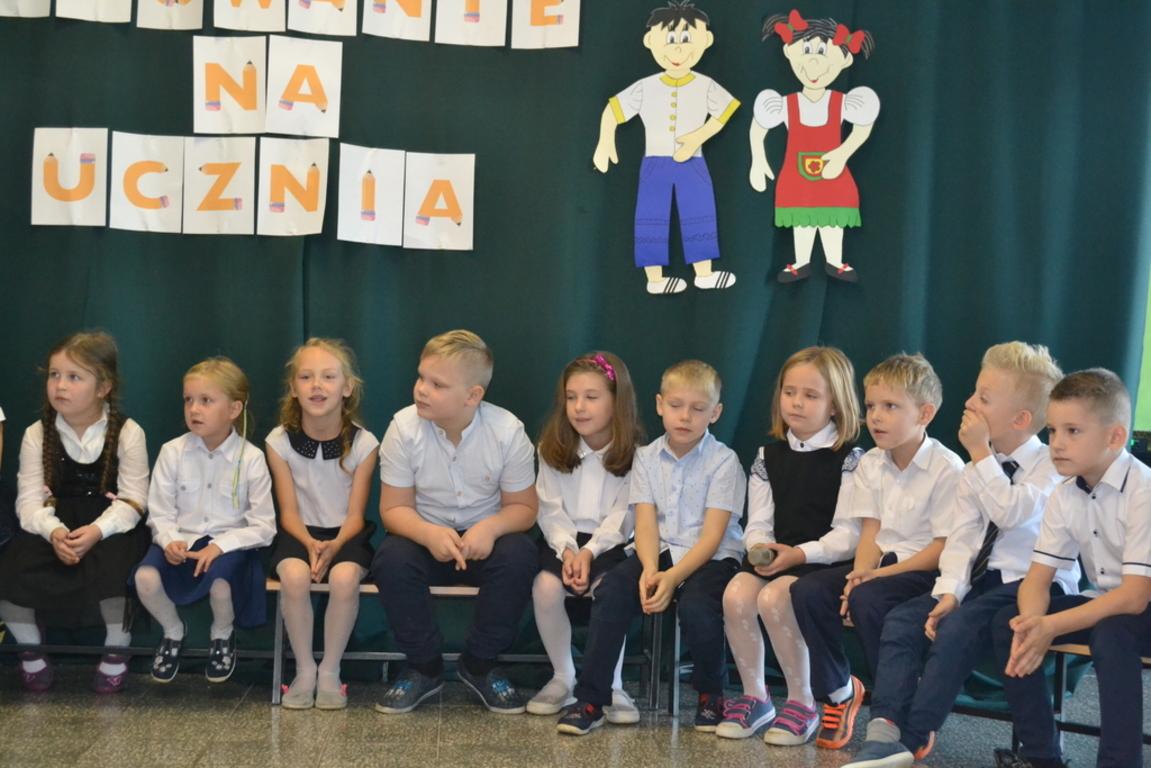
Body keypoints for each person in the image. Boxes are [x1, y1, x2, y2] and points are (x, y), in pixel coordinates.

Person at [845, 342, 1077, 767]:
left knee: (958, 629)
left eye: (983, 398)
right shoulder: (976, 470)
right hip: (981, 586)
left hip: (1035, 584)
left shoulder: (1051, 466)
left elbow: (1012, 513)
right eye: (974, 393)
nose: (969, 403)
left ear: (1020, 419)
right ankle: (885, 727)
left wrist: (981, 454)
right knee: (904, 621)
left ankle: (911, 738)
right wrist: (949, 592)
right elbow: (963, 541)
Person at [558, 360, 745, 735]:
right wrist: (649, 570)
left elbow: (712, 536)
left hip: (710, 556)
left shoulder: (724, 461)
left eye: (698, 409)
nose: (685, 417)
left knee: (697, 606)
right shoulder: (645, 457)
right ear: (660, 405)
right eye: (676, 406)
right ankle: (591, 699)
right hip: (655, 551)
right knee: (612, 590)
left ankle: (711, 694)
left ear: (715, 413)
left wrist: (672, 578)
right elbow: (644, 523)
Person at [791, 353, 962, 749]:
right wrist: (857, 576)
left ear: (925, 413)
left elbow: (943, 549)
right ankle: (839, 691)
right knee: (808, 591)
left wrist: (872, 579)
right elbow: (870, 531)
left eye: (890, 406)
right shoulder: (870, 463)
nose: (876, 417)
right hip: (879, 570)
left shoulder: (947, 468)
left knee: (868, 598)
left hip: (924, 572)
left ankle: (901, 708)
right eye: (870, 406)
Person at [372, 330, 539, 715]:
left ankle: (480, 664)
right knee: (391, 559)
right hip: (425, 537)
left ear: (473, 395)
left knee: (519, 554)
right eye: (421, 377)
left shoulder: (507, 431)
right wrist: (429, 534)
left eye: (437, 384)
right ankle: (424, 667)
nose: (422, 390)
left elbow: (524, 508)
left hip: (484, 540)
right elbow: (394, 510)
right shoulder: (403, 428)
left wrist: (490, 528)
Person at [991, 369, 1151, 768]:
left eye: (1073, 431)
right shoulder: (1064, 493)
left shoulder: (1144, 491)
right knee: (1010, 624)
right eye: (1052, 431)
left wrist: (1051, 626)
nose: (1057, 443)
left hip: (1138, 607)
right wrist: (1033, 624)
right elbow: (1036, 580)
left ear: (1115, 437)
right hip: (1108, 604)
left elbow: (1135, 597)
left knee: (1113, 635)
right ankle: (1043, 757)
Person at [718, 347, 864, 744]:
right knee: (736, 594)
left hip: (822, 563)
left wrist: (799, 554)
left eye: (811, 395)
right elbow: (758, 521)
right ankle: (756, 697)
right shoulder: (768, 456)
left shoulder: (851, 459)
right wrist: (759, 548)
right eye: (789, 392)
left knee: (774, 598)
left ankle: (803, 702)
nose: (796, 402)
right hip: (777, 557)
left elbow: (849, 535)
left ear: (835, 405)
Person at [0, 332, 150, 693]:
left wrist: (97, 531)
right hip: (54, 523)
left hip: (110, 525)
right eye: (54, 375)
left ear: (103, 388)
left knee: (116, 571)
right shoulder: (37, 434)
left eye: (74, 377)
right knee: (10, 572)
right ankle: (31, 653)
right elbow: (28, 502)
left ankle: (116, 652)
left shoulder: (128, 432)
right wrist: (54, 531)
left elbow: (134, 500)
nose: (60, 385)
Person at [131, 358, 275, 684]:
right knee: (145, 578)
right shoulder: (172, 452)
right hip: (181, 538)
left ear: (234, 409)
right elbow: (159, 512)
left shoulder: (251, 459)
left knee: (221, 585)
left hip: (228, 545)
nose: (194, 409)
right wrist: (169, 540)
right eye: (188, 400)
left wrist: (220, 547)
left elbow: (264, 526)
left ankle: (221, 635)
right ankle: (173, 632)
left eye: (206, 400)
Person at [525, 353, 644, 722]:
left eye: (591, 397)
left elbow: (623, 517)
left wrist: (589, 553)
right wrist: (567, 551)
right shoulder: (550, 449)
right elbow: (549, 509)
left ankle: (613, 684)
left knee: (611, 592)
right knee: (546, 588)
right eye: (571, 397)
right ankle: (563, 676)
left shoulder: (638, 457)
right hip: (562, 540)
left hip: (611, 543)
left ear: (616, 402)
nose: (579, 407)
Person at [593, 1, 738, 295]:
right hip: (655, 162)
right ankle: (655, 279)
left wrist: (698, 137)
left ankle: (704, 274)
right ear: (650, 41)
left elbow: (725, 111)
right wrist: (605, 141)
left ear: (706, 40)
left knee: (699, 213)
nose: (678, 48)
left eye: (687, 39)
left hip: (693, 161)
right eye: (670, 39)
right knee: (651, 217)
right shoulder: (645, 86)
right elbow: (613, 110)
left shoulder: (705, 84)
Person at [267, 339, 379, 710]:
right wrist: (310, 543)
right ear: (293, 388)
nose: (317, 385)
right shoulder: (279, 442)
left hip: (345, 534)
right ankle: (304, 670)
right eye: (306, 377)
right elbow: (288, 513)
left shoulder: (364, 444)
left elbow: (356, 516)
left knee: (344, 578)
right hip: (298, 532)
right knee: (294, 576)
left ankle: (330, 671)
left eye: (329, 377)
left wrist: (333, 546)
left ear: (347, 388)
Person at [750, 9, 878, 283]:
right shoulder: (784, 103)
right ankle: (801, 263)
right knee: (802, 220)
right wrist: (758, 160)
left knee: (833, 221)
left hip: (834, 173)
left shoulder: (844, 102)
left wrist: (842, 154)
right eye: (806, 52)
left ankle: (835, 262)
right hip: (796, 176)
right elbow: (758, 127)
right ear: (789, 52)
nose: (814, 64)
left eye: (823, 54)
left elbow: (863, 126)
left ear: (845, 60)